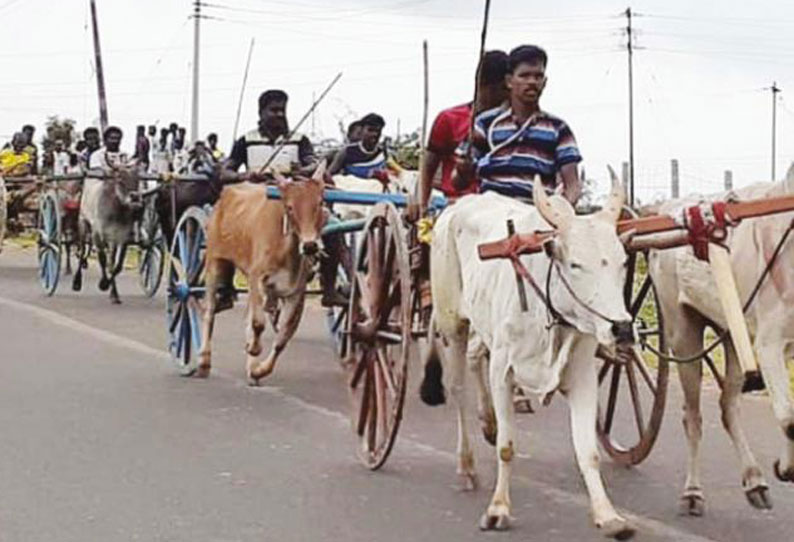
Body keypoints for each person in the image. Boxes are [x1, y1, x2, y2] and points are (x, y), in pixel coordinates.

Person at [456, 45, 582, 204]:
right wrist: (463, 170)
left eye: (538, 76)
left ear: (544, 82)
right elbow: (459, 182)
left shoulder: (559, 129)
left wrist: (562, 212)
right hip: (491, 214)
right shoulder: (485, 124)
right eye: (524, 76)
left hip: (536, 216)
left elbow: (572, 186)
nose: (532, 82)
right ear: (509, 81)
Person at [415, 50, 509, 216]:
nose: (508, 96)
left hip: (501, 206)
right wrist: (423, 204)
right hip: (457, 206)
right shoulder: (449, 119)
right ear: (484, 85)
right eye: (503, 89)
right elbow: (429, 166)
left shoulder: (512, 125)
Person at [226, 89, 316, 175]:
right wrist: (243, 176)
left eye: (282, 110)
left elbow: (314, 165)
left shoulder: (300, 140)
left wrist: (303, 170)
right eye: (274, 110)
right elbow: (226, 172)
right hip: (255, 189)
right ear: (261, 113)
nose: (280, 114)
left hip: (292, 189)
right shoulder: (246, 141)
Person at [327, 113, 388, 181]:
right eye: (370, 130)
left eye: (378, 131)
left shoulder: (383, 153)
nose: (375, 134)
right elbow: (329, 175)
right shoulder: (348, 151)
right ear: (361, 131)